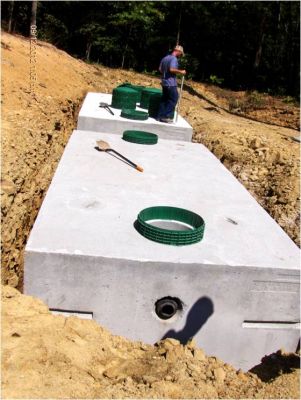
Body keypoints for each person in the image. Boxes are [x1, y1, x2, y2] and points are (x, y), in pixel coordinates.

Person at [157, 45, 186, 123]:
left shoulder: (165, 58)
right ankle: (165, 116)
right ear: (178, 51)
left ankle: (159, 116)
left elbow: (160, 69)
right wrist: (181, 71)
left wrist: (165, 74)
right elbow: (172, 69)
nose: (180, 55)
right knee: (174, 99)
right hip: (171, 83)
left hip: (164, 82)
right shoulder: (174, 59)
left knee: (164, 99)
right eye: (180, 53)